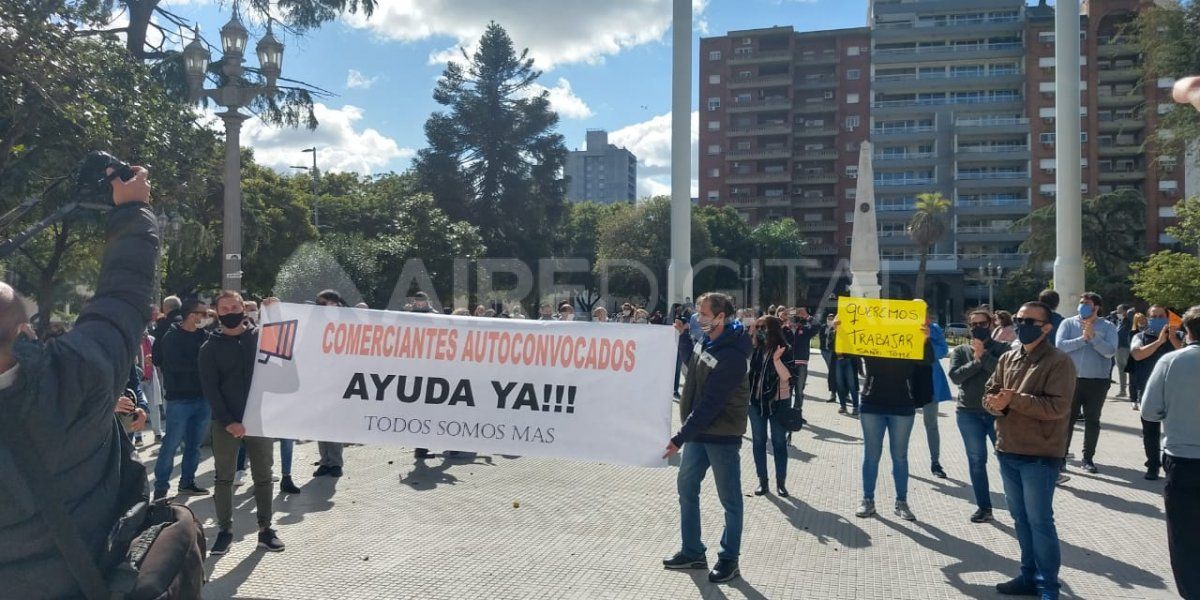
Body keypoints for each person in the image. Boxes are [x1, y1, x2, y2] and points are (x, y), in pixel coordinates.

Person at [0, 164, 165, 597]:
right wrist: (133, 210)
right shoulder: (76, 374)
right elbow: (123, 297)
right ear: (24, 333)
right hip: (88, 575)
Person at [984, 301, 1076, 599]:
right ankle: (1027, 575)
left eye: (1029, 322)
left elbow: (1057, 407)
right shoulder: (1008, 357)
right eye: (1019, 319)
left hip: (1039, 454)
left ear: (1047, 328)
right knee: (1020, 520)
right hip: (1007, 448)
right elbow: (990, 392)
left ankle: (1048, 585)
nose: (1022, 325)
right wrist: (993, 404)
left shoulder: (1059, 361)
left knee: (1040, 521)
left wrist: (1013, 400)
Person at [662, 292, 750, 584]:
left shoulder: (733, 354)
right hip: (699, 431)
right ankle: (692, 552)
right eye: (697, 313)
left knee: (730, 501)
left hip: (721, 434)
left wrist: (679, 437)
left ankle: (729, 559)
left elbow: (710, 403)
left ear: (721, 317)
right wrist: (685, 337)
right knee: (686, 487)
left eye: (703, 314)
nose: (698, 318)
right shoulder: (707, 339)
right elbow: (693, 367)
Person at [199, 291, 285, 555]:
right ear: (217, 312)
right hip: (226, 424)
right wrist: (229, 421)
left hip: (260, 421)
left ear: (243, 309)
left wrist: (276, 313)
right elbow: (210, 390)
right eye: (224, 308)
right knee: (224, 478)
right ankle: (225, 531)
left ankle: (265, 530)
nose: (230, 312)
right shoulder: (209, 348)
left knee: (263, 476)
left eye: (234, 306)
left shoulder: (261, 338)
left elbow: (286, 349)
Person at [1140, 305, 1200, 600]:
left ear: (1186, 331)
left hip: (1183, 459)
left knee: (1185, 538)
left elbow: (1149, 411)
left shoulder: (1171, 361)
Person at [853, 327, 928, 522]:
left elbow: (927, 361)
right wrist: (840, 329)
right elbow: (847, 349)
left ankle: (901, 502)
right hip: (872, 403)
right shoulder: (871, 339)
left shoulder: (912, 338)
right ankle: (867, 500)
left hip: (902, 405)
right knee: (871, 455)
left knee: (900, 457)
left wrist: (924, 340)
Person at [949, 310, 1008, 523]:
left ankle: (1016, 505)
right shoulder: (961, 350)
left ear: (991, 324)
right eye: (973, 324)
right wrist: (975, 361)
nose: (977, 328)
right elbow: (956, 377)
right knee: (976, 461)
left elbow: (1002, 375)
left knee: (1006, 459)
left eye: (982, 323)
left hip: (996, 414)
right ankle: (984, 507)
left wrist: (984, 355)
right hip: (968, 413)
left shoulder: (1003, 349)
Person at [152, 297, 212, 500]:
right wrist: (202, 367)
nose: (207, 317)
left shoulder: (205, 336)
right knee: (171, 444)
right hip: (180, 400)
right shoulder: (172, 336)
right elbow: (176, 366)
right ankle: (160, 488)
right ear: (191, 315)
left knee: (194, 445)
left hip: (202, 399)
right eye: (203, 314)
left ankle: (187, 482)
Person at [1057, 292, 1118, 474]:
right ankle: (1061, 458)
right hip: (1071, 379)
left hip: (1097, 381)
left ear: (1096, 307)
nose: (1082, 305)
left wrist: (1094, 337)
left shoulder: (1108, 326)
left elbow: (1109, 352)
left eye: (1087, 303)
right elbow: (1060, 346)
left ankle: (1088, 458)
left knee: (1092, 420)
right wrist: (1083, 339)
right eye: (1081, 302)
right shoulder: (1068, 323)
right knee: (1067, 420)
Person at [1129, 305, 1184, 480]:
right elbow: (1137, 355)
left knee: (1174, 431)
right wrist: (1159, 341)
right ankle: (1153, 465)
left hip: (1174, 392)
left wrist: (1173, 338)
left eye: (1161, 316)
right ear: (1147, 318)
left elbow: (1186, 354)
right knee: (1150, 431)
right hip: (1148, 391)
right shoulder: (1139, 336)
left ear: (1168, 319)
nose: (1158, 319)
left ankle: (1172, 465)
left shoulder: (1180, 337)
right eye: (1154, 316)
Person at [747, 315, 797, 497]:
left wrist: (776, 360)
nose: (759, 330)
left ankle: (781, 483)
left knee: (779, 442)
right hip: (755, 402)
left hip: (778, 402)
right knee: (758, 442)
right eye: (757, 326)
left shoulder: (785, 350)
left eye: (763, 327)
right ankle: (763, 481)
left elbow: (789, 378)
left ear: (773, 330)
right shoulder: (756, 350)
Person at [313, 289, 349, 474]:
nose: (328, 308)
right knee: (320, 422)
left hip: (338, 379)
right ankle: (324, 461)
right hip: (319, 378)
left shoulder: (347, 322)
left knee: (334, 421)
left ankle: (336, 462)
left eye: (332, 304)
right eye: (323, 304)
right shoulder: (315, 323)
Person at [915, 307, 952, 479]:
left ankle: (935, 462)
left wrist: (928, 337)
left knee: (931, 423)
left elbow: (943, 351)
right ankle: (899, 460)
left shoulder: (934, 329)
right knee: (901, 424)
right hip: (907, 382)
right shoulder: (900, 327)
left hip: (930, 382)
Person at [786, 307, 820, 407]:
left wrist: (807, 316)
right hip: (787, 364)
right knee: (786, 391)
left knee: (799, 390)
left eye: (794, 314)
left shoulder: (804, 329)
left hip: (801, 364)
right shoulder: (783, 329)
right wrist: (782, 316)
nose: (792, 317)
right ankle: (786, 414)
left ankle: (797, 414)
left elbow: (817, 326)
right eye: (790, 315)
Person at [827, 318, 861, 415]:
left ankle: (855, 407)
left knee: (852, 384)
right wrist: (835, 331)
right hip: (837, 360)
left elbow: (853, 344)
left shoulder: (851, 331)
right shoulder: (832, 332)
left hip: (849, 360)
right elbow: (829, 346)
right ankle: (843, 406)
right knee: (840, 384)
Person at [1114, 305, 1133, 398]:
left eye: (1120, 311)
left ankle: (1133, 391)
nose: (1118, 313)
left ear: (1125, 311)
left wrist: (1128, 313)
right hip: (1118, 347)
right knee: (1121, 370)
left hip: (1126, 347)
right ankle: (1122, 391)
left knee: (1130, 369)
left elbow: (1131, 314)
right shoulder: (1120, 321)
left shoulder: (1129, 321)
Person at [819, 313, 837, 402]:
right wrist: (827, 335)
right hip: (825, 351)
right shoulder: (823, 327)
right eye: (829, 318)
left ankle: (836, 393)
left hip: (833, 352)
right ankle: (833, 392)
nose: (830, 319)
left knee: (832, 371)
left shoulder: (836, 327)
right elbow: (821, 337)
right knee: (832, 371)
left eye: (832, 318)